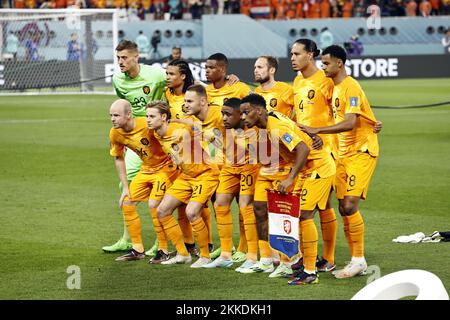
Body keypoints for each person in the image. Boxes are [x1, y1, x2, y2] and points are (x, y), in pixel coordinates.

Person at [299, 45, 380, 279]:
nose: (323, 67)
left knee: (349, 205)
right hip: (343, 153)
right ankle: (357, 259)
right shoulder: (334, 88)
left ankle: (358, 259)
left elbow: (350, 122)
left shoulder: (350, 86)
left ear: (339, 64)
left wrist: (318, 130)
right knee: (344, 207)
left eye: (326, 63)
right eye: (322, 63)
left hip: (361, 150)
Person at [240, 93, 335, 286]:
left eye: (246, 112)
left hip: (318, 167)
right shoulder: (271, 118)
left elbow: (303, 150)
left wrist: (290, 177)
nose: (243, 117)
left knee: (305, 215)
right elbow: (295, 127)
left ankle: (310, 271)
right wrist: (311, 135)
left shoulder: (275, 126)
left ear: (259, 111)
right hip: (306, 169)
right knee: (296, 215)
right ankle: (302, 263)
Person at [103, 40, 166, 256]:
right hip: (135, 141)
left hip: (159, 139)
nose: (120, 62)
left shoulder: (156, 75)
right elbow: (125, 108)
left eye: (124, 58)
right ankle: (127, 239)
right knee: (126, 188)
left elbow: (180, 86)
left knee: (162, 191)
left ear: (136, 57)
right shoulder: (118, 80)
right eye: (118, 58)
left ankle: (162, 242)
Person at [148, 90, 221, 267]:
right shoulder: (157, 132)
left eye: (152, 116)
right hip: (186, 176)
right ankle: (183, 254)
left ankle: (205, 256)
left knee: (191, 212)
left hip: (205, 174)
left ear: (164, 117)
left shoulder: (183, 129)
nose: (148, 119)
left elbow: (212, 136)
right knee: (162, 211)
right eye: (147, 116)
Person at [290, 38, 338, 277]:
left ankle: (326, 258)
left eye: (297, 53)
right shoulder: (298, 80)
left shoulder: (326, 80)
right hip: (307, 152)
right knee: (321, 206)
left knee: (317, 207)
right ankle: (319, 258)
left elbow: (342, 114)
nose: (293, 58)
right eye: (291, 54)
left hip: (326, 151)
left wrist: (323, 135)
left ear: (310, 55)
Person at [108, 99, 178, 263]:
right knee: (127, 202)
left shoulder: (147, 124)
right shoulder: (115, 133)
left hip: (164, 168)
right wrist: (125, 187)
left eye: (116, 115)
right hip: (146, 169)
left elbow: (168, 135)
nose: (112, 119)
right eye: (110, 115)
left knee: (154, 205)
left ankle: (163, 250)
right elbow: (119, 158)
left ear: (129, 115)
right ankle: (137, 249)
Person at [202, 97, 260, 271]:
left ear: (240, 115)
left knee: (245, 206)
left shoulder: (252, 129)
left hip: (249, 167)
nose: (224, 118)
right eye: (222, 114)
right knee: (220, 204)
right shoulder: (223, 127)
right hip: (229, 168)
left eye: (228, 114)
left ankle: (252, 256)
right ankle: (225, 254)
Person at [205, 52, 252, 262]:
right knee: (218, 200)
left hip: (243, 152)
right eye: (205, 67)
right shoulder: (205, 92)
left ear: (222, 70)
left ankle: (244, 248)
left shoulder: (239, 88)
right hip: (217, 151)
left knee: (243, 203)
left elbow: (253, 110)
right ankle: (227, 247)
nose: (206, 71)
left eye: (211, 67)